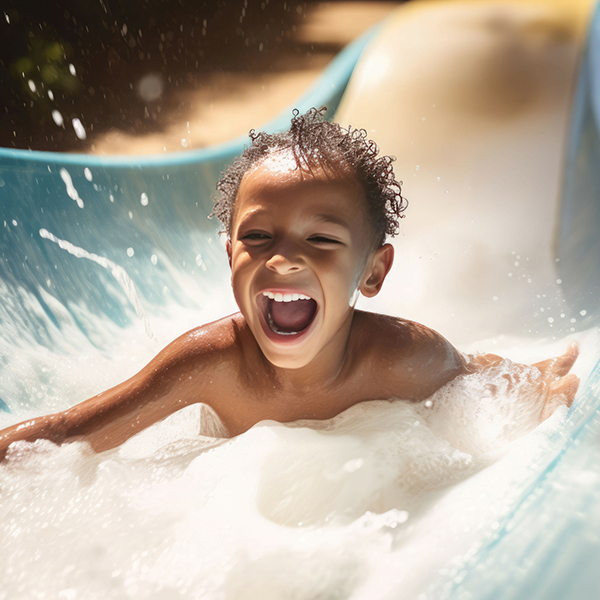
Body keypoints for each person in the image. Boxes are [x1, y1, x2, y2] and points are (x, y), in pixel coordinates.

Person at [0, 108, 579, 462]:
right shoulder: (209, 364)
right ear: (228, 255)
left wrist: (531, 386)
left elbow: (478, 381)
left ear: (373, 272)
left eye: (322, 240)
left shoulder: (404, 357)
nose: (283, 260)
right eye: (257, 237)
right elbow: (67, 435)